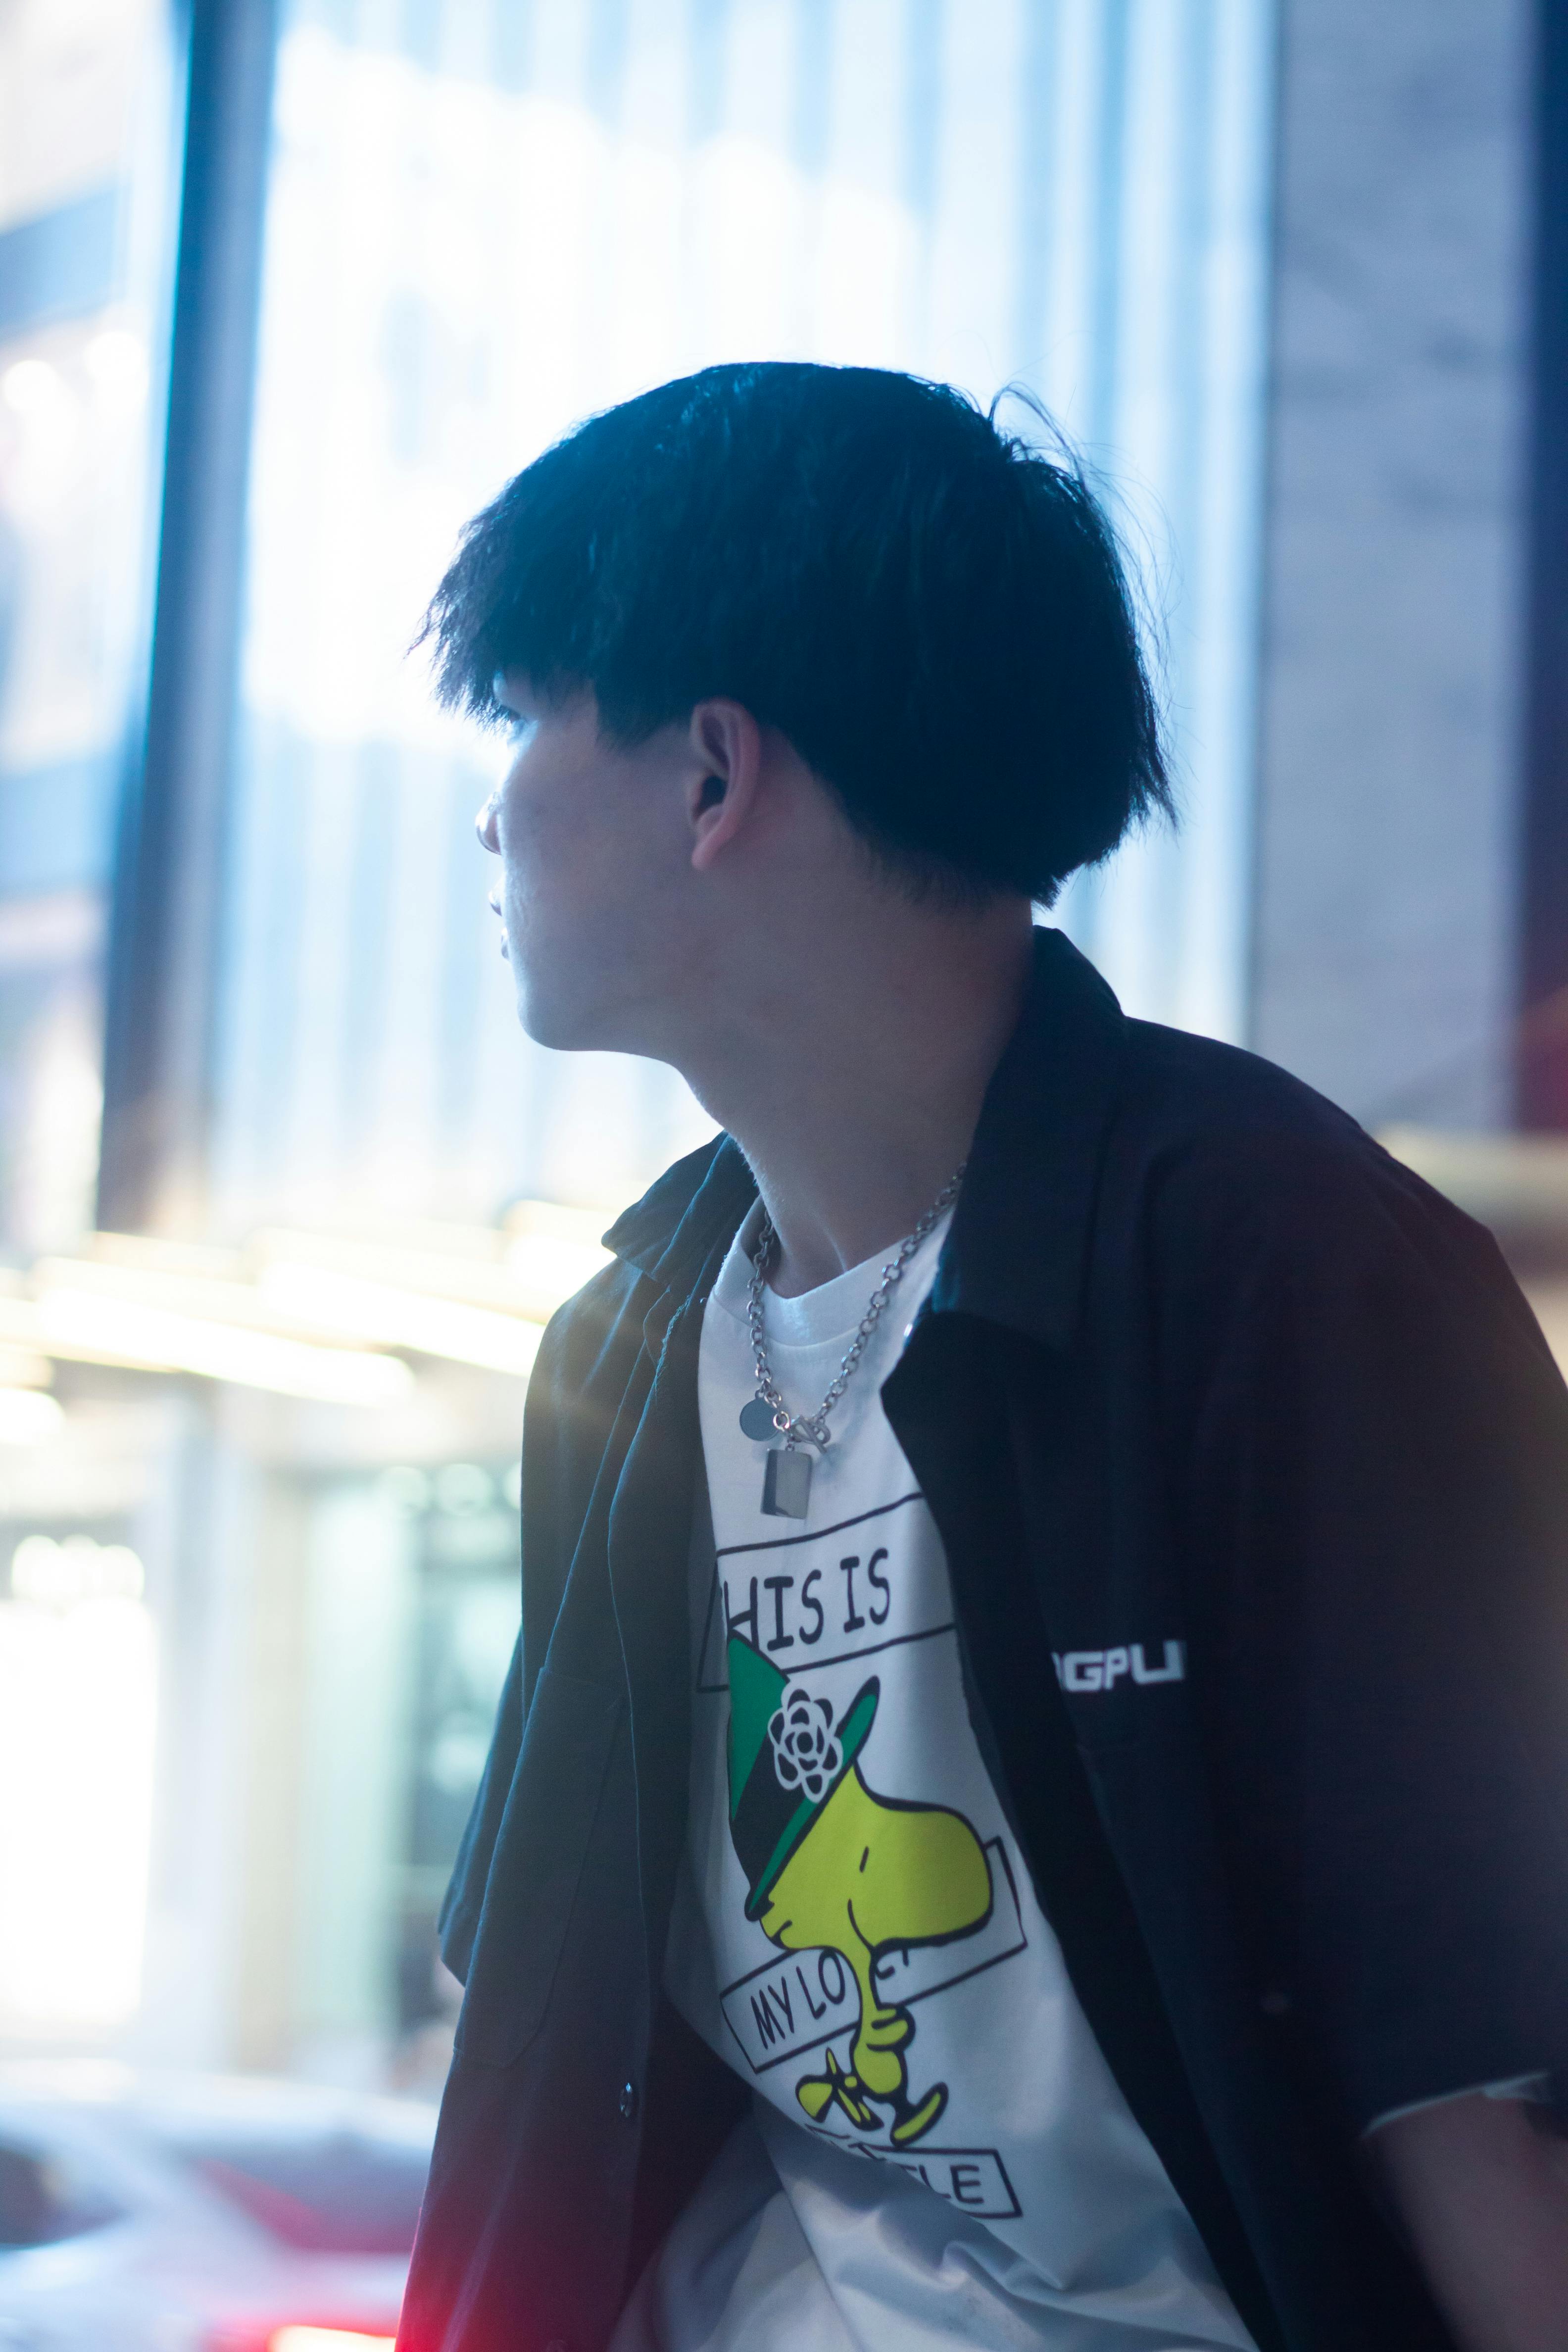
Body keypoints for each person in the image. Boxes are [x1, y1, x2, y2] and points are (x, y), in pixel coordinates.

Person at [397, 363, 1568, 2352]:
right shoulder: (628, 1335)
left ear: (713, 775)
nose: (494, 808)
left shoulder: (1276, 1268)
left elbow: (1470, 2087)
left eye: (525, 715)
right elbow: (541, 2042)